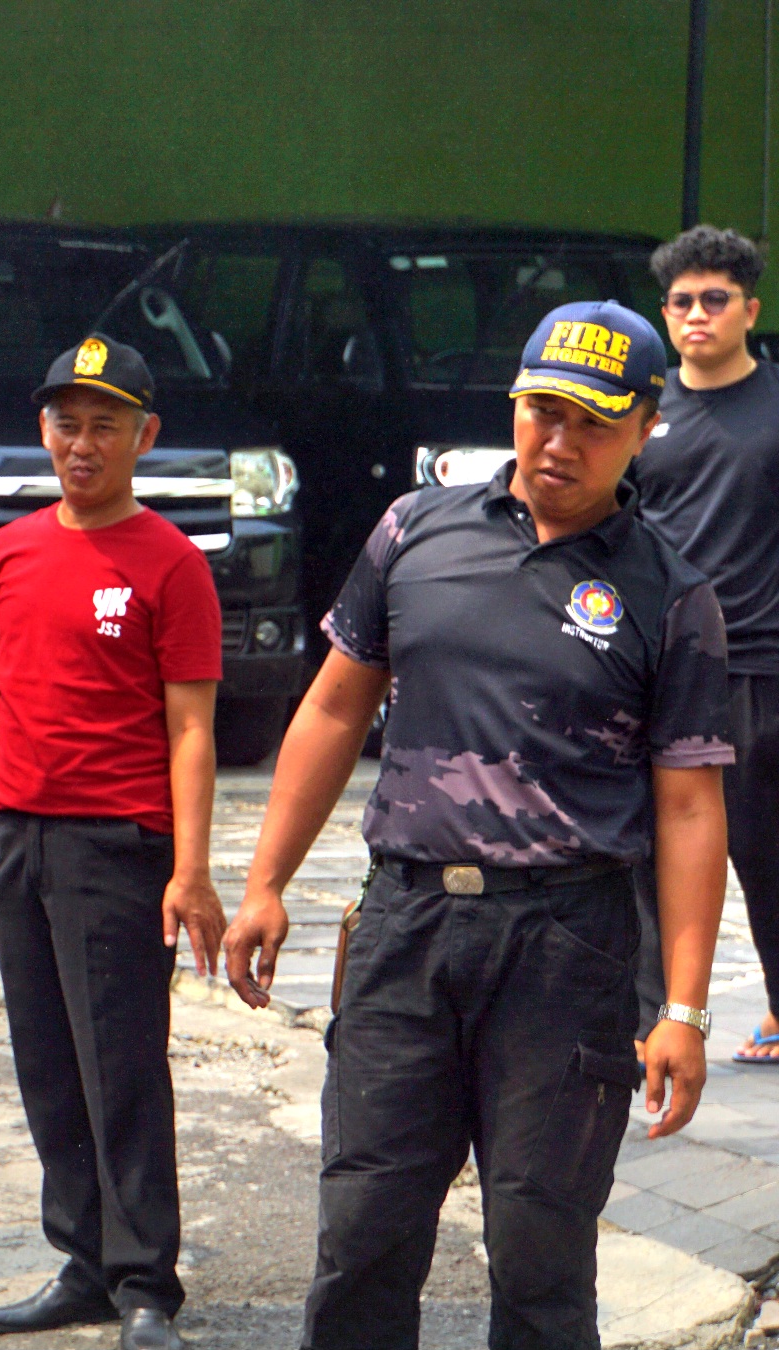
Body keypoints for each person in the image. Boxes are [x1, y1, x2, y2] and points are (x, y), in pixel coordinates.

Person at [223, 301, 730, 1345]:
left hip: (566, 950)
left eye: (593, 420)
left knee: (543, 1254)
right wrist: (265, 880)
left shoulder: (674, 596)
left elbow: (687, 805)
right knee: (364, 1232)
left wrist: (683, 1007)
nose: (560, 440)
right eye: (542, 411)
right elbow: (330, 705)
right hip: (405, 929)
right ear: (513, 406)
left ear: (644, 425)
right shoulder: (416, 529)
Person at [0, 336, 223, 1349]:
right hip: (15, 840)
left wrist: (192, 871)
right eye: (67, 423)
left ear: (145, 436)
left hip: (114, 847)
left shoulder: (171, 563)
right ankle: (82, 1262)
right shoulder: (9, 550)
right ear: (44, 430)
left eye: (106, 425)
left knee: (120, 1066)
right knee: (46, 1063)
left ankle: (144, 1287)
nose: (84, 444)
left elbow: (192, 727)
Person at [630, 225, 779, 1065]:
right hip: (657, 666)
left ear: (748, 310)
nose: (697, 315)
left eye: (715, 299)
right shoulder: (643, 414)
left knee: (765, 855)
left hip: (760, 664)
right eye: (682, 302)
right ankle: (653, 1017)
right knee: (645, 856)